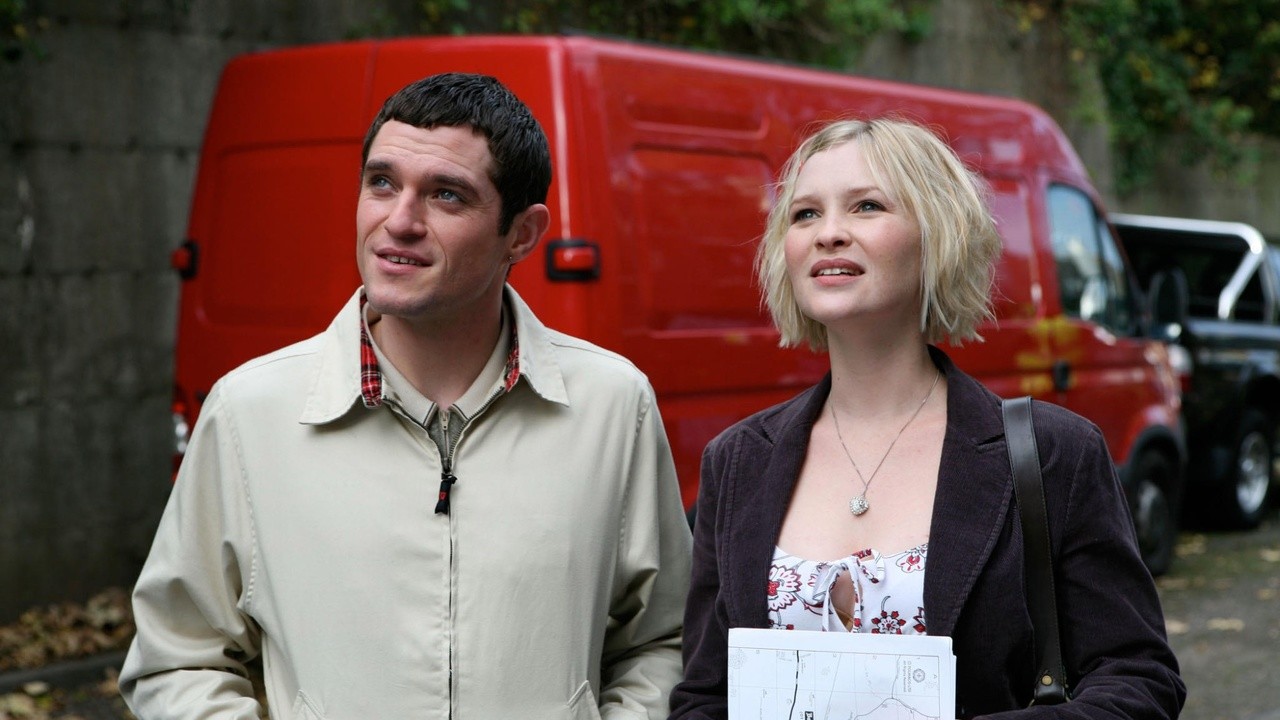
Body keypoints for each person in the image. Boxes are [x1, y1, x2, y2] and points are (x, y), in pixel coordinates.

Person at [120, 73, 691, 719]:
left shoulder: (613, 406)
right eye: (382, 182)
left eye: (447, 195)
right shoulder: (249, 413)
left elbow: (664, 641)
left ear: (523, 234)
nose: (399, 221)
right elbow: (178, 657)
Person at [668, 118, 1185, 719]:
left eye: (866, 206)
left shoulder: (1052, 453)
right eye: (805, 214)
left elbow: (1138, 679)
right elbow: (704, 695)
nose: (828, 233)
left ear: (938, 234)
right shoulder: (737, 461)